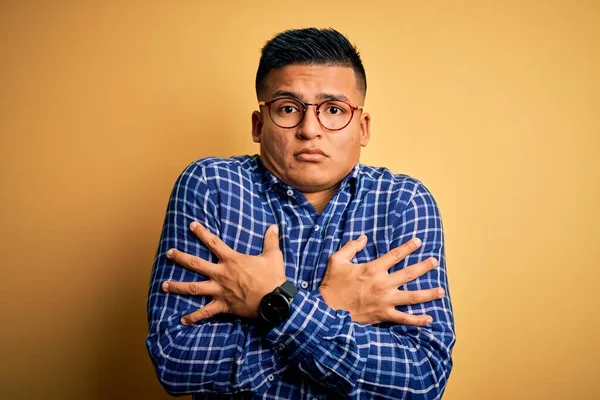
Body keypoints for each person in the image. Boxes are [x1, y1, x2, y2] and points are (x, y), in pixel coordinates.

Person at [146, 27, 455, 399]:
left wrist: (271, 302)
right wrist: (333, 308)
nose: (310, 130)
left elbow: (424, 377)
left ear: (363, 127)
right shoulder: (212, 186)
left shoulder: (403, 202)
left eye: (334, 110)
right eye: (288, 108)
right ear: (258, 125)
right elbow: (174, 358)